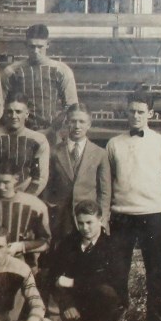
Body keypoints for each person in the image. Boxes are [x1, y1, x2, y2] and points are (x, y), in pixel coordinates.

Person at [106, 91, 161, 321]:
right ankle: (118, 320)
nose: (136, 116)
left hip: (153, 216)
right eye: (132, 111)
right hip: (122, 215)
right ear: (126, 112)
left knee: (154, 270)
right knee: (119, 270)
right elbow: (108, 181)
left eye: (141, 112)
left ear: (150, 113)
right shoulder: (114, 143)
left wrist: (158, 203)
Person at [44, 201, 130, 321]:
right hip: (77, 304)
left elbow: (114, 280)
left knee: (106, 290)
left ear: (100, 220)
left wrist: (73, 283)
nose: (85, 228)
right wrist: (67, 303)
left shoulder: (113, 246)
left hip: (105, 304)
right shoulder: (68, 243)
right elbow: (54, 275)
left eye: (89, 222)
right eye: (81, 223)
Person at [43, 104, 111, 245]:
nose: (77, 126)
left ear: (89, 124)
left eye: (82, 122)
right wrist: (51, 208)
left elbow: (105, 192)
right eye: (73, 121)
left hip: (88, 217)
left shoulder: (100, 154)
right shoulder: (54, 152)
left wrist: (101, 220)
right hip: (60, 217)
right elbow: (47, 185)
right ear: (67, 122)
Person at [2, 24, 78, 135]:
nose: (36, 51)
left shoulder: (61, 70)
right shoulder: (12, 71)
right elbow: (1, 103)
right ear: (26, 45)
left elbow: (71, 106)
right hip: (19, 131)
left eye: (40, 46)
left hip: (51, 131)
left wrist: (51, 130)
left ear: (48, 44)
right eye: (32, 46)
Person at [0, 165, 52, 262]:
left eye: (6, 182)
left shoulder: (35, 206)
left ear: (16, 179)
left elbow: (46, 241)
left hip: (22, 263)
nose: (1, 187)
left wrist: (21, 246)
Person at [0, 94, 49, 196]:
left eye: (18, 112)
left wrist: (27, 198)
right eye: (9, 112)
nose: (13, 116)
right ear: (4, 113)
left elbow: (40, 177)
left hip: (26, 198)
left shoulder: (39, 139)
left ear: (27, 114)